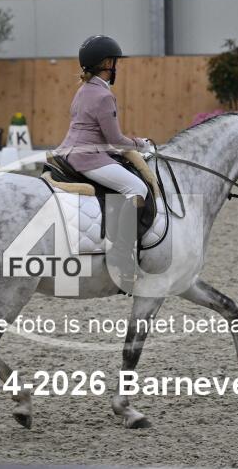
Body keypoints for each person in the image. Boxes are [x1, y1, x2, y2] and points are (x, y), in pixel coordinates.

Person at [55, 35, 151, 292]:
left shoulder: (83, 90)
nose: (116, 66)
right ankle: (120, 254)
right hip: (88, 158)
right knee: (138, 188)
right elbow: (115, 139)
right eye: (114, 61)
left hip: (69, 152)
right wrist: (141, 144)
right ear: (107, 63)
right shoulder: (103, 96)